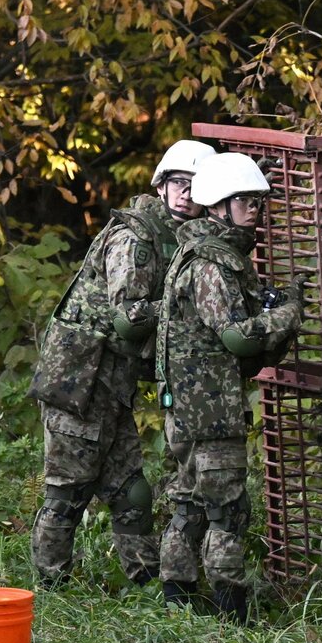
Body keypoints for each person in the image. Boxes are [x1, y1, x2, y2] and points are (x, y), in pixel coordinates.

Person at [28, 139, 216, 588]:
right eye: (178, 183)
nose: (186, 193)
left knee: (130, 489)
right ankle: (51, 586)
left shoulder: (179, 238)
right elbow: (129, 318)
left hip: (112, 380)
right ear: (162, 185)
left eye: (196, 186)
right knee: (69, 489)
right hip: (82, 377)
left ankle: (145, 581)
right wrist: (183, 308)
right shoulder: (137, 237)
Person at [155, 151, 304, 623]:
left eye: (258, 201)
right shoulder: (212, 262)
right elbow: (237, 337)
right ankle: (230, 614)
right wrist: (288, 312)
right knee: (226, 510)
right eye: (245, 201)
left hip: (191, 404)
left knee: (192, 501)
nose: (254, 209)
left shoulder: (205, 251)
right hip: (208, 410)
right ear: (218, 206)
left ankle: (178, 602)